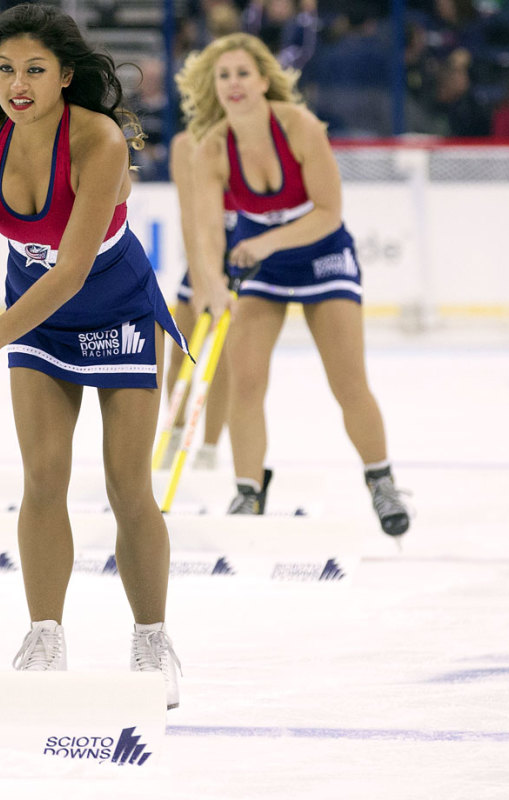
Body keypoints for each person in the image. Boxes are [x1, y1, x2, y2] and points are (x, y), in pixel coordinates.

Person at [0, 3, 201, 708]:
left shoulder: (99, 140)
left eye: (35, 70)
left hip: (115, 308)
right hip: (38, 318)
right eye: (7, 69)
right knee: (42, 476)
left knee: (125, 484)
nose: (18, 83)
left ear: (64, 76)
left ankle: (151, 640)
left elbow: (74, 269)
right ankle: (44, 635)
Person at [174, 33, 410, 536]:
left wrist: (263, 243)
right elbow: (207, 235)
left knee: (347, 382)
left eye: (243, 73)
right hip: (260, 266)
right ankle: (249, 491)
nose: (233, 84)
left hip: (320, 253)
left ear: (264, 81)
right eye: (224, 76)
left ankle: (381, 481)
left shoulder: (300, 127)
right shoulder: (211, 149)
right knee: (246, 380)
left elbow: (329, 213)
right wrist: (212, 288)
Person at [159, 128, 235, 472]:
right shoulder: (185, 144)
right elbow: (190, 219)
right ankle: (175, 433)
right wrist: (204, 279)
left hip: (241, 261)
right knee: (181, 355)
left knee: (222, 361)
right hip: (201, 263)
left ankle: (208, 447)